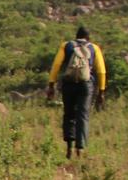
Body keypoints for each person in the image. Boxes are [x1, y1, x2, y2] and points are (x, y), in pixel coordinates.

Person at [45, 25, 107, 159]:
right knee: (83, 115)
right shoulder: (94, 48)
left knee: (69, 114)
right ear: (88, 37)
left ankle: (69, 147)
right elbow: (101, 71)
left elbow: (56, 65)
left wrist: (51, 85)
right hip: (86, 85)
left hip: (68, 84)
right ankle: (80, 148)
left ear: (76, 36)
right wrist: (101, 91)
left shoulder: (66, 46)